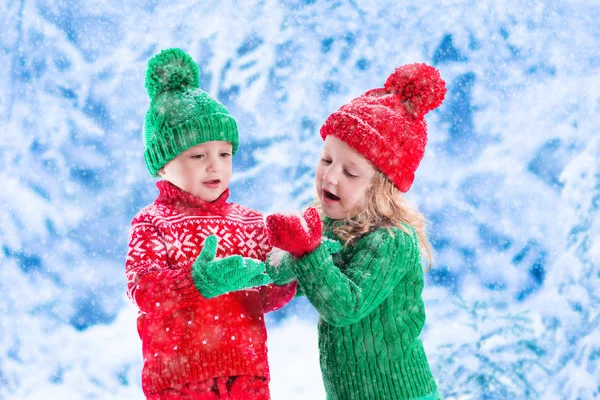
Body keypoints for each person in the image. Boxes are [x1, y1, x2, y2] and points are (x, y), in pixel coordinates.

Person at [265, 63, 446, 399]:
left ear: (381, 189)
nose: (331, 177)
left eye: (350, 172)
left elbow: (345, 306)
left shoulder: (392, 240)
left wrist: (306, 251)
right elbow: (303, 278)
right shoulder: (333, 226)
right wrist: (275, 266)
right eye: (326, 160)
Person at [125, 48, 296, 400]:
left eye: (224, 154)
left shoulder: (250, 222)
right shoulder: (152, 222)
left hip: (247, 373)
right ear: (162, 164)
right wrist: (197, 281)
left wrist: (289, 271)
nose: (214, 166)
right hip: (179, 379)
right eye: (198, 156)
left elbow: (265, 295)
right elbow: (144, 289)